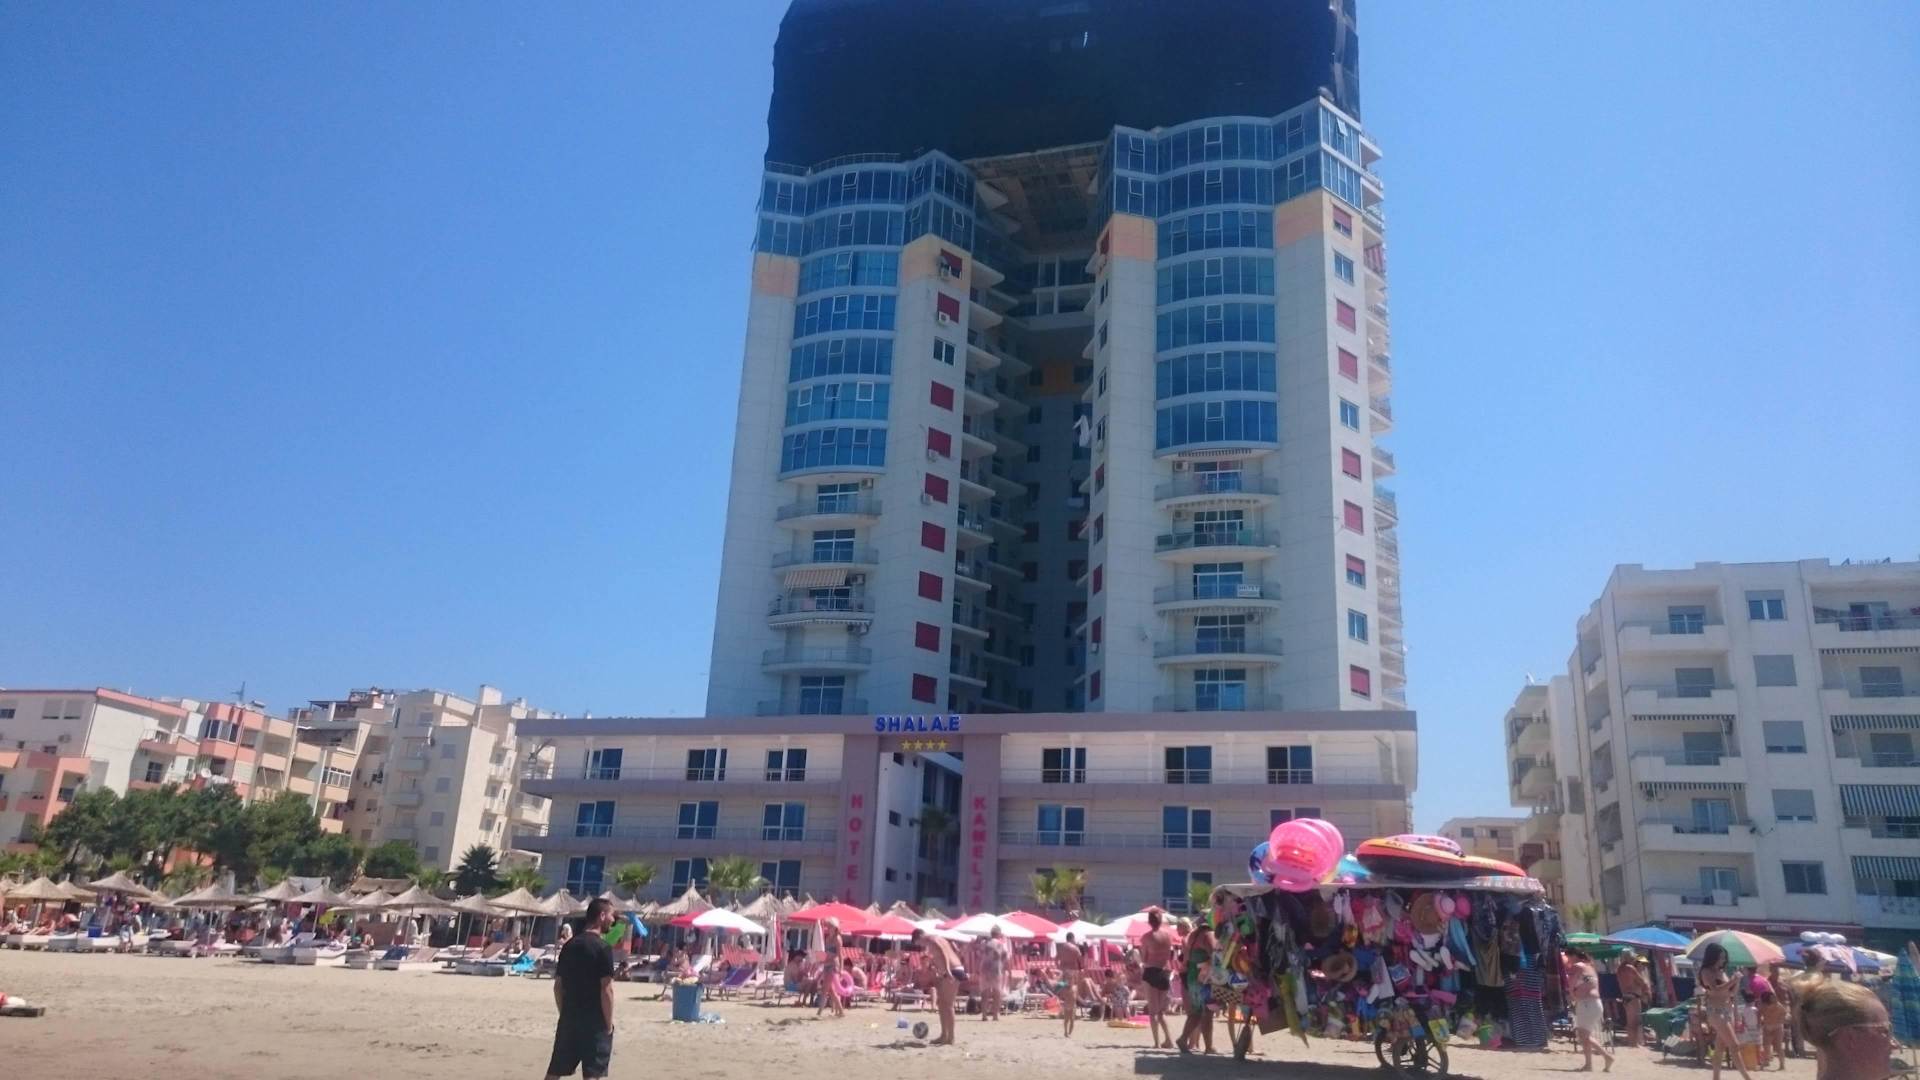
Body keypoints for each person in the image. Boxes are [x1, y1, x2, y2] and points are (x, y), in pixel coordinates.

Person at [545, 898, 617, 1080]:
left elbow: (558, 986)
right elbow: (606, 990)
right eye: (611, 915)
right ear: (602, 915)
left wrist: (564, 1013)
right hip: (594, 1021)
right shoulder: (603, 948)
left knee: (555, 1071)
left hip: (570, 1017)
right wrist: (608, 1025)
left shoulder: (569, 946)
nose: (613, 920)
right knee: (592, 1073)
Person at [1698, 943, 1755, 1080]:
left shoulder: (1721, 971)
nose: (1723, 960)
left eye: (1724, 958)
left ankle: (1715, 1077)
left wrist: (1737, 981)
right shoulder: (1706, 971)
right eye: (1721, 958)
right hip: (1716, 1012)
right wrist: (1733, 980)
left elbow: (1731, 993)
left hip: (1726, 1011)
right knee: (1734, 1045)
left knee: (1720, 1048)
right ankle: (1747, 1077)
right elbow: (1715, 989)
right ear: (1713, 957)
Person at [909, 928, 961, 1047]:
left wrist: (947, 970)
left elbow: (944, 953)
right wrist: (940, 970)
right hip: (951, 970)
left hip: (952, 971)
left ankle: (951, 1037)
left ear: (920, 937)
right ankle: (944, 1035)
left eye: (919, 943)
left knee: (948, 1005)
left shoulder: (932, 939)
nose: (920, 945)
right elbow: (951, 952)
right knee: (941, 1004)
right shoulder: (939, 939)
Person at [1565, 948, 1615, 1072]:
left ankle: (1606, 1056)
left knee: (1583, 1035)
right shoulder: (1590, 967)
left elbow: (1570, 985)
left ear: (1573, 956)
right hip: (1596, 1003)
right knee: (1585, 1035)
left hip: (1586, 1003)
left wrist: (1572, 996)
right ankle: (1588, 1064)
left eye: (1568, 957)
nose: (1568, 960)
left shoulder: (1577, 966)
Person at [1174, 918, 1216, 1055]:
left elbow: (1186, 958)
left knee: (1196, 1012)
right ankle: (1209, 1046)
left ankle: (1183, 1039)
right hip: (1203, 976)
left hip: (1192, 976)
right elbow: (1215, 953)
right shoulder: (1207, 934)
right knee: (1208, 1011)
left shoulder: (1192, 935)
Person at [1139, 909, 1176, 1050]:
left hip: (1151, 972)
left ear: (1149, 922)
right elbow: (1169, 956)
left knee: (1153, 1011)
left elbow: (1144, 958)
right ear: (1160, 921)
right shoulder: (1168, 936)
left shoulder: (1146, 937)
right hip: (1164, 972)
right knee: (1160, 1012)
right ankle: (1169, 1040)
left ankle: (1157, 1043)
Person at [1616, 952, 1649, 1049]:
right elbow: (1641, 981)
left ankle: (1631, 1042)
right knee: (1635, 1021)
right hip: (1633, 996)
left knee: (1629, 1021)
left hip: (1625, 995)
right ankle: (1635, 1043)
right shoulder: (1630, 968)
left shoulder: (1619, 969)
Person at [1057, 931, 1086, 1037]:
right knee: (1073, 990)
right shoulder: (1075, 948)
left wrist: (1060, 967)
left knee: (1065, 990)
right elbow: (1081, 961)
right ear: (1072, 938)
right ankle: (1074, 1004)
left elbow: (1056, 959)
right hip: (1073, 971)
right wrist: (1081, 969)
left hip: (1064, 971)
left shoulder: (1062, 948)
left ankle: (1064, 1003)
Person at [978, 924, 1009, 1021]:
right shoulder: (1001, 944)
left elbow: (979, 953)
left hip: (984, 969)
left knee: (984, 993)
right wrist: (1001, 964)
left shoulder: (984, 943)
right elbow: (1005, 956)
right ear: (999, 934)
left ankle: (984, 1015)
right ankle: (995, 1015)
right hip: (996, 969)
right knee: (997, 992)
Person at [1759, 990, 1789, 1070]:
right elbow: (1759, 1015)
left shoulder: (1778, 1005)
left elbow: (1784, 1013)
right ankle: (1766, 1062)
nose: (1774, 998)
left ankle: (1782, 1064)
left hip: (1777, 1027)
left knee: (1778, 1047)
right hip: (1768, 1027)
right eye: (1772, 997)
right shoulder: (1763, 1006)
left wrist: (1780, 1020)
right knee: (1766, 1046)